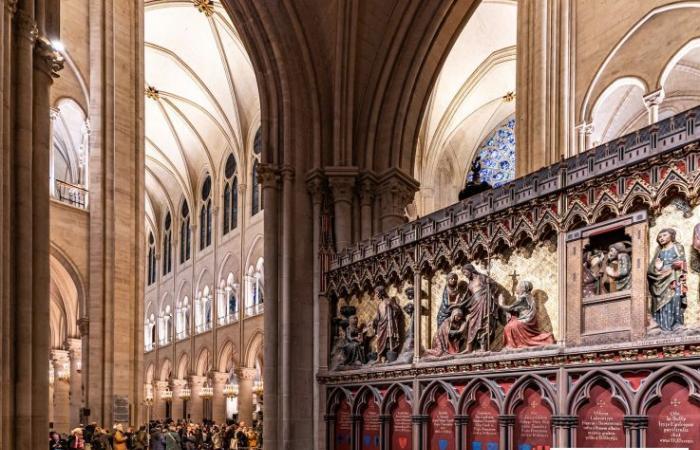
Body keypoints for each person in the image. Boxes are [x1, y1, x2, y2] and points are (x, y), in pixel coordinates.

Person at [648, 228, 688, 331]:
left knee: (675, 298)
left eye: (664, 235)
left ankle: (676, 324)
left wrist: (673, 265)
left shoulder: (677, 246)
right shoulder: (659, 251)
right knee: (659, 302)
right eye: (659, 237)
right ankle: (662, 325)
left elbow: (682, 261)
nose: (662, 238)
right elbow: (651, 268)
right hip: (660, 280)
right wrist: (657, 268)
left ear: (671, 236)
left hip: (673, 277)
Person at [498, 281, 555, 349]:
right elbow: (518, 309)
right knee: (511, 324)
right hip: (530, 321)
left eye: (519, 287)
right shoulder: (529, 297)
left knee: (508, 327)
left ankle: (512, 345)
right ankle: (514, 344)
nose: (517, 288)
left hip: (526, 321)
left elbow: (510, 308)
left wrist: (501, 303)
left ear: (523, 289)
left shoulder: (523, 298)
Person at [461, 264, 501, 352]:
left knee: (483, 323)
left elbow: (494, 286)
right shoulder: (469, 284)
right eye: (463, 273)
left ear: (470, 270)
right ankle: (469, 347)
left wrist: (489, 286)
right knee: (472, 324)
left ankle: (483, 347)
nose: (465, 274)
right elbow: (468, 298)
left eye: (465, 272)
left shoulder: (481, 277)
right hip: (474, 305)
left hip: (484, 302)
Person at [371, 285, 404, 362]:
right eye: (376, 293)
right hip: (381, 325)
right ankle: (379, 358)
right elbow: (378, 317)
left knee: (389, 340)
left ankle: (389, 358)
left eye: (377, 293)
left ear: (381, 293)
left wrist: (392, 306)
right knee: (379, 340)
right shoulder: (379, 305)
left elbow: (398, 310)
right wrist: (374, 321)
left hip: (389, 324)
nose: (376, 295)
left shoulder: (389, 301)